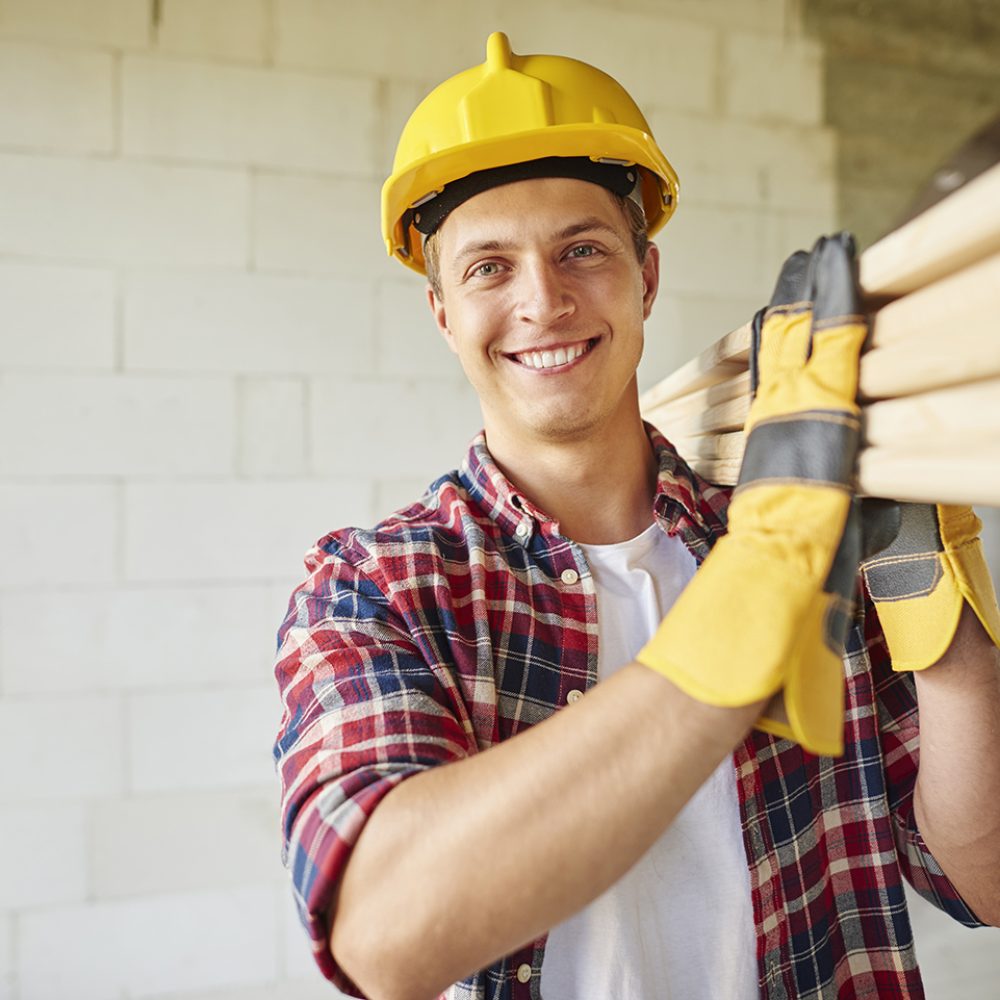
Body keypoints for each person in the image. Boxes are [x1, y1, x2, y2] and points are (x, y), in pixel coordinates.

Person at [273, 32, 1000, 1000]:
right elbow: (384, 938)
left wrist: (936, 613)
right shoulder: (376, 588)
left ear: (645, 276)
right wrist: (760, 582)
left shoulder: (806, 531)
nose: (543, 300)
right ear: (443, 312)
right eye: (489, 267)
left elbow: (981, 880)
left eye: (583, 249)